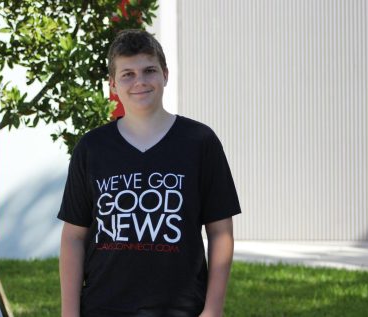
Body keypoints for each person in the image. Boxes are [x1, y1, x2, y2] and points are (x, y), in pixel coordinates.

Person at [58, 29, 241, 317]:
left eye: (149, 70)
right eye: (127, 74)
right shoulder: (92, 148)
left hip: (181, 308)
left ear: (165, 75)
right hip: (102, 307)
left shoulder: (200, 142)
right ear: (113, 85)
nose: (140, 81)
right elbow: (73, 237)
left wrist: (213, 310)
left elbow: (220, 232)